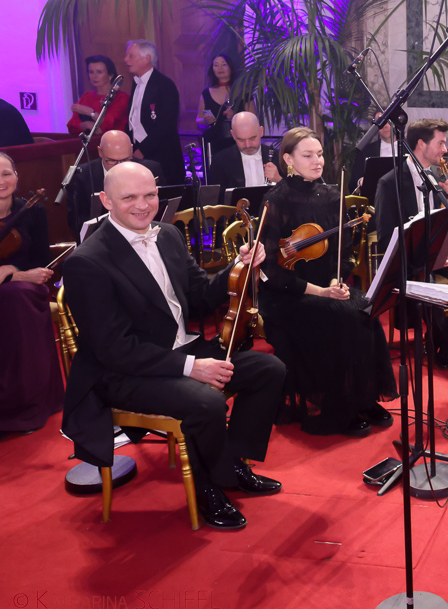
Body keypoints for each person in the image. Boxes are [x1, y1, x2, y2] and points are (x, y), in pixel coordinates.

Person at [60, 162, 285, 530]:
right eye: (129, 197)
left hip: (180, 351)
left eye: (150, 195)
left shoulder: (167, 234)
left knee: (268, 369)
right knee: (205, 400)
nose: (142, 205)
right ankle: (208, 488)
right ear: (106, 200)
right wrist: (192, 368)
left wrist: (240, 265)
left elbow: (200, 296)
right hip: (122, 373)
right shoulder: (87, 262)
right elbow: (115, 349)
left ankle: (233, 464)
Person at [258, 127, 398, 436]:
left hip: (328, 285)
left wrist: (338, 281)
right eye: (308, 155)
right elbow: (271, 269)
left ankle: (364, 397)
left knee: (366, 308)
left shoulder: (333, 196)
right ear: (288, 160)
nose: (317, 161)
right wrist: (321, 292)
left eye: (320, 154)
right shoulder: (275, 200)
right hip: (288, 294)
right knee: (341, 316)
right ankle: (338, 406)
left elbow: (342, 252)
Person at [374, 119, 448, 369]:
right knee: (428, 286)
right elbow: (386, 239)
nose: (445, 150)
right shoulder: (390, 183)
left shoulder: (438, 175)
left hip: (440, 255)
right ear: (421, 144)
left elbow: (447, 224)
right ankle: (443, 341)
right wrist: (428, 256)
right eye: (440, 143)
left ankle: (443, 330)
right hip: (412, 261)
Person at [0, 152, 62, 433]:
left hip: (25, 291)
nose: (1, 181)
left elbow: (41, 262)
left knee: (20, 295)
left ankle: (29, 400)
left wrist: (13, 273)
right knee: (15, 295)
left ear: (16, 176)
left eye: (6, 174)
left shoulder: (33, 211)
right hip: (12, 291)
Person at [67, 130, 161, 238]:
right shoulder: (81, 175)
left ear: (131, 150)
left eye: (125, 160)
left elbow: (160, 213)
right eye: (112, 161)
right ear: (100, 152)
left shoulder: (151, 169)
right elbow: (76, 220)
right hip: (102, 239)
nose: (119, 166)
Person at [125, 39, 185, 185]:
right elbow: (134, 119)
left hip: (162, 157)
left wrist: (142, 150)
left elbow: (166, 125)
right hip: (138, 153)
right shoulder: (136, 83)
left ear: (147, 58)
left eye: (131, 56)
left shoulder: (165, 85)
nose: (126, 60)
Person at [206, 112, 281, 192]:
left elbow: (290, 194)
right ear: (233, 135)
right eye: (241, 140)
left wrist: (279, 180)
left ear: (261, 131)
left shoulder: (279, 157)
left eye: (252, 138)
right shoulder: (220, 161)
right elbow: (215, 196)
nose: (248, 145)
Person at [197, 54, 247, 159]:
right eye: (216, 65)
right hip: (213, 144)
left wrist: (236, 116)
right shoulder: (206, 93)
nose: (220, 68)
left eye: (224, 64)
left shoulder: (243, 92)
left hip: (238, 143)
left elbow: (254, 118)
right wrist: (206, 121)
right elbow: (198, 120)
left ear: (231, 67)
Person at [67, 55, 130, 137]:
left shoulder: (121, 98)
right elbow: (71, 126)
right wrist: (86, 125)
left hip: (114, 142)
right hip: (89, 143)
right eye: (91, 72)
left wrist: (90, 112)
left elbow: (109, 126)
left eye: (99, 72)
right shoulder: (87, 96)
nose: (94, 76)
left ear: (110, 75)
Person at [351, 115, 401, 188]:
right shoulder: (365, 151)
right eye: (380, 122)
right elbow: (354, 180)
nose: (385, 126)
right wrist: (360, 181)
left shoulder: (409, 148)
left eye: (388, 121)